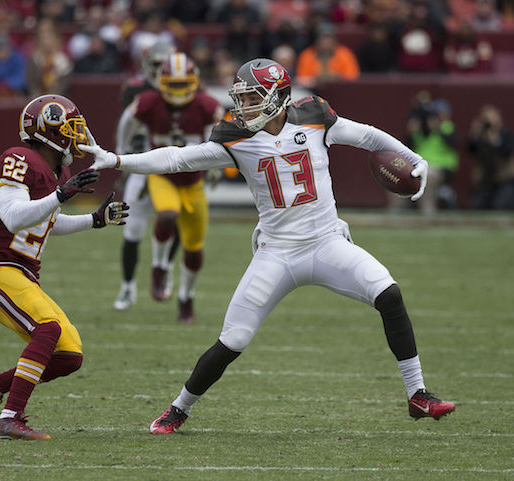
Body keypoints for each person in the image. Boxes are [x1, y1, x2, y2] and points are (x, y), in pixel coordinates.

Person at [80, 58, 456, 434]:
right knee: (233, 340)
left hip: (327, 242)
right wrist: (116, 160)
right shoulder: (235, 136)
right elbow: (177, 157)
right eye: (240, 99)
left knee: (389, 294)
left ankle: (418, 394)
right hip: (277, 253)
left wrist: (414, 158)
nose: (242, 107)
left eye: (251, 98)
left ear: (277, 97)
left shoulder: (314, 116)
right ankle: (179, 408)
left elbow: (369, 136)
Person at [0, 94, 128, 440]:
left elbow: (45, 222)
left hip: (21, 273)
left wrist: (95, 221)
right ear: (47, 131)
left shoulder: (56, 170)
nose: (77, 137)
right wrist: (60, 195)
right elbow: (13, 218)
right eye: (71, 129)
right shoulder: (19, 158)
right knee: (49, 328)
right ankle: (10, 417)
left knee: (69, 355)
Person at [115, 52, 223, 323]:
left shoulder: (206, 105)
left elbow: (223, 130)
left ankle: (186, 297)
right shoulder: (149, 102)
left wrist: (217, 163)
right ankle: (160, 266)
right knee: (167, 214)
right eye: (172, 84)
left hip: (193, 181)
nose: (177, 90)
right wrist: (121, 149)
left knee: (194, 248)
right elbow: (127, 120)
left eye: (182, 83)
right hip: (162, 175)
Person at [113, 41, 179, 311]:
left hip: (173, 165)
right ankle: (128, 286)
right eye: (156, 65)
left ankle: (164, 268)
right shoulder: (136, 90)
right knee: (133, 228)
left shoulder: (184, 85)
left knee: (177, 221)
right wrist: (121, 155)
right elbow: (127, 123)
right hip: (143, 162)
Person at [468, 104, 514, 209]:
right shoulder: (481, 136)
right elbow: (470, 149)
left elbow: (507, 151)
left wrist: (494, 139)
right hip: (486, 180)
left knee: (499, 206)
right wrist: (474, 134)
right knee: (477, 206)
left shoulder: (505, 134)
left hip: (505, 180)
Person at [295, 22, 360, 90]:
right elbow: (300, 80)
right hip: (313, 93)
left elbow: (353, 78)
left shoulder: (345, 54)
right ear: (316, 40)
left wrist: (336, 78)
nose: (325, 42)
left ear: (334, 40)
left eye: (328, 38)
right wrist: (316, 79)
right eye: (322, 38)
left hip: (341, 91)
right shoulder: (307, 55)